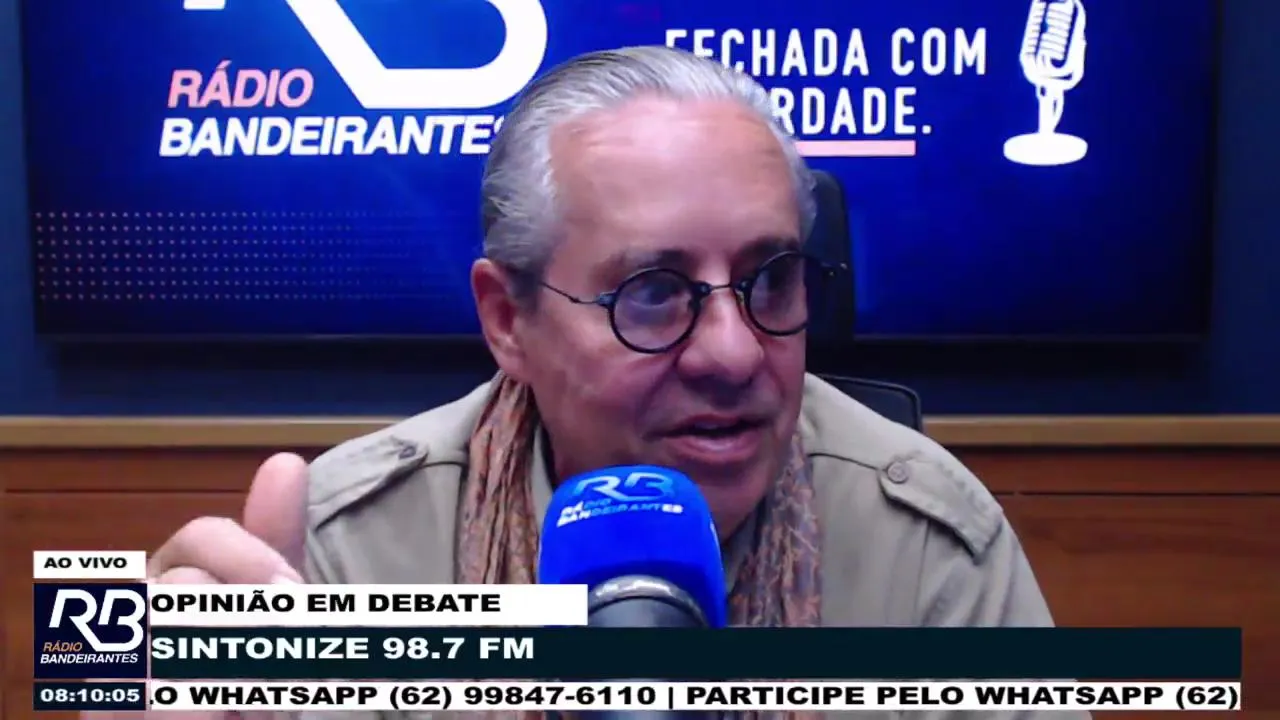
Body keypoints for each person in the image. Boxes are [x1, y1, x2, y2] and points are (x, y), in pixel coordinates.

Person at [94, 45, 1078, 720]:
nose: (734, 353)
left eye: (771, 278)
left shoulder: (929, 543)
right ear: (507, 321)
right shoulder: (338, 546)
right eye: (652, 294)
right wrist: (116, 671)